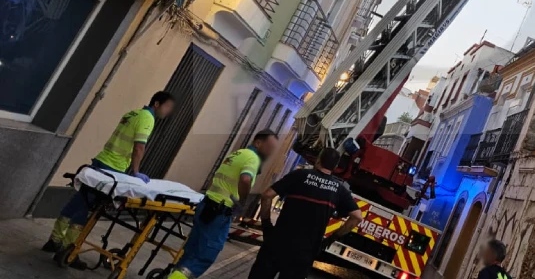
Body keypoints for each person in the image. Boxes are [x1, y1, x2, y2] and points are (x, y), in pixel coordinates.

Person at [46, 91, 176, 266]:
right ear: (157, 104)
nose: (168, 111)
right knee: (86, 208)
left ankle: (54, 241)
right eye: (167, 106)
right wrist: (136, 171)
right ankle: (69, 250)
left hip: (100, 162)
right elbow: (139, 147)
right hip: (112, 168)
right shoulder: (147, 118)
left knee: (79, 200)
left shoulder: (132, 113)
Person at [167, 130, 280, 279]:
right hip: (219, 212)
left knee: (192, 251)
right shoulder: (253, 158)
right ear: (258, 142)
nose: (270, 152)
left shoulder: (238, 153)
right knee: (203, 257)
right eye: (269, 147)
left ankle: (173, 275)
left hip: (207, 205)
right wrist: (242, 201)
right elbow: (245, 179)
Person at [248, 147, 365, 279]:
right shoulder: (339, 189)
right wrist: (331, 239)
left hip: (278, 243)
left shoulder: (299, 175)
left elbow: (267, 196)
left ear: (318, 160)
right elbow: (357, 217)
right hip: (304, 252)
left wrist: (266, 224)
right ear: (336, 166)